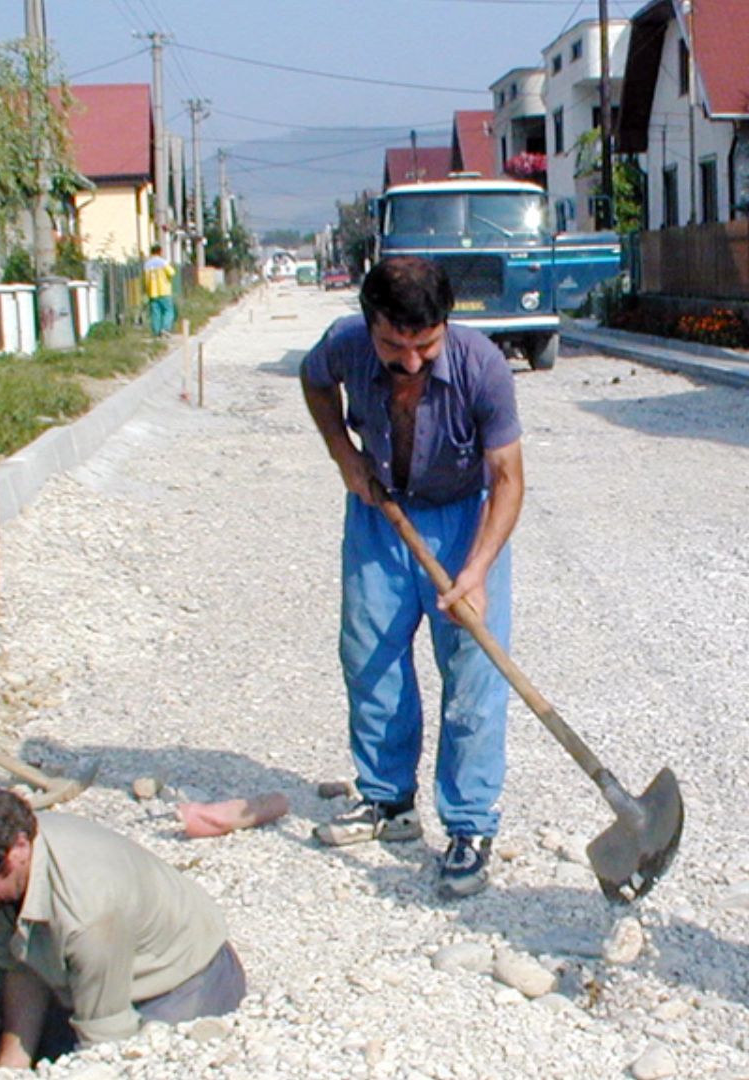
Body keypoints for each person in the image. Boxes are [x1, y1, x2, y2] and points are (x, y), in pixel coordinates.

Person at [299, 254, 523, 898]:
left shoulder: (483, 366)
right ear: (369, 325)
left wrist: (475, 570)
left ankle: (470, 825)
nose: (413, 361)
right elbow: (313, 383)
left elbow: (508, 480)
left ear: (444, 327)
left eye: (425, 345)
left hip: (463, 523)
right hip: (381, 512)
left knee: (474, 675)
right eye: (395, 346)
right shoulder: (344, 346)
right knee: (370, 658)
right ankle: (387, 802)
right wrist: (344, 454)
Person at [0, 783, 246, 1069]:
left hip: (184, 983)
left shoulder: (88, 911)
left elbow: (105, 1042)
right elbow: (22, 965)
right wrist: (10, 1069)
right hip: (93, 975)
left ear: (17, 849)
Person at [142, 244, 176, 337]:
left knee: (155, 313)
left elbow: (145, 279)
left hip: (152, 292)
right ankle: (165, 328)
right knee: (168, 311)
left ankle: (156, 332)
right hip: (164, 290)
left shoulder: (147, 264)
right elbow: (172, 273)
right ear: (160, 252)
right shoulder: (163, 262)